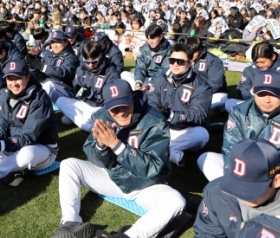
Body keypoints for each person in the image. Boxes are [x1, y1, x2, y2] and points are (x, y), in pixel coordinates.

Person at [51, 79, 186, 238]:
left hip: (147, 186)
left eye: (124, 104)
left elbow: (152, 168)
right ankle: (70, 224)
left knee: (176, 201)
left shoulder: (155, 121)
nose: (120, 112)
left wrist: (116, 145)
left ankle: (125, 237)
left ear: (133, 98)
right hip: (114, 178)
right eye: (114, 108)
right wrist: (101, 146)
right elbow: (96, 158)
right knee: (69, 165)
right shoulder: (101, 116)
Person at [198, 69, 280, 181]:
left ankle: (240, 197)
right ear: (253, 90)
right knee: (206, 159)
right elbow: (230, 148)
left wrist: (260, 183)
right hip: (243, 167)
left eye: (273, 94)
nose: (267, 100)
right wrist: (237, 177)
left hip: (274, 175)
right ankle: (235, 192)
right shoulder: (239, 112)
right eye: (261, 94)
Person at [193, 138, 280, 238]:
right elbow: (208, 233)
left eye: (250, 188)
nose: (239, 193)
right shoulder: (217, 191)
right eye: (235, 183)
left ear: (277, 181)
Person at [0, 60, 58, 187]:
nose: (13, 83)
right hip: (13, 143)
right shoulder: (4, 94)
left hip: (41, 148)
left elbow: (29, 137)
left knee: (27, 155)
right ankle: (15, 169)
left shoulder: (39, 99)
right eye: (9, 78)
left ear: (28, 77)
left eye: (17, 78)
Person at [147, 43, 212, 167]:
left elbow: (198, 115)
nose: (175, 64)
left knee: (202, 133)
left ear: (190, 63)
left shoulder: (202, 86)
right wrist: (160, 116)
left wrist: (172, 115)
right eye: (172, 60)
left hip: (187, 130)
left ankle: (159, 150)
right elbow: (151, 102)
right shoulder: (159, 80)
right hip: (163, 126)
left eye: (180, 61)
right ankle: (173, 154)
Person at [56, 40, 120, 131]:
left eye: (94, 61)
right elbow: (77, 89)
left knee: (108, 116)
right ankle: (89, 125)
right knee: (60, 100)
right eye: (87, 61)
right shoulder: (80, 69)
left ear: (101, 55)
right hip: (84, 103)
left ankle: (83, 122)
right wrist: (79, 92)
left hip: (100, 108)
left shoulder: (111, 71)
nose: (90, 65)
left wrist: (91, 95)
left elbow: (112, 99)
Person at [225, 42, 280, 112]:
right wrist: (252, 92)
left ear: (273, 57)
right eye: (257, 62)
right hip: (254, 105)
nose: (259, 65)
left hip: (277, 108)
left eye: (262, 62)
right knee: (229, 103)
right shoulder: (249, 70)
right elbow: (242, 91)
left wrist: (272, 99)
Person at [25, 30, 79, 102]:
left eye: (58, 42)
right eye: (53, 42)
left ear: (66, 42)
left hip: (64, 90)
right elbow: (37, 73)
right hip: (46, 85)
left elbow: (61, 74)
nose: (55, 45)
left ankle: (34, 106)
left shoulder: (72, 58)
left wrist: (41, 66)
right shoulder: (48, 53)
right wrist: (32, 65)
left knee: (48, 85)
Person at [121, 24, 172, 90]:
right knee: (124, 74)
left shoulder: (168, 50)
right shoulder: (144, 48)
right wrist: (138, 82)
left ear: (160, 36)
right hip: (145, 78)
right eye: (148, 39)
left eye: (153, 38)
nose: (150, 41)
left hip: (158, 81)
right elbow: (140, 66)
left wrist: (150, 85)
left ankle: (145, 90)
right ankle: (139, 90)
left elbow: (163, 71)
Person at [185, 36, 229, 111]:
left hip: (215, 93)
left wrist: (198, 91)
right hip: (190, 91)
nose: (190, 55)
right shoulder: (184, 57)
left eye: (193, 53)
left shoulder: (214, 60)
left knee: (201, 107)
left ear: (199, 49)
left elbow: (216, 84)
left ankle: (219, 109)